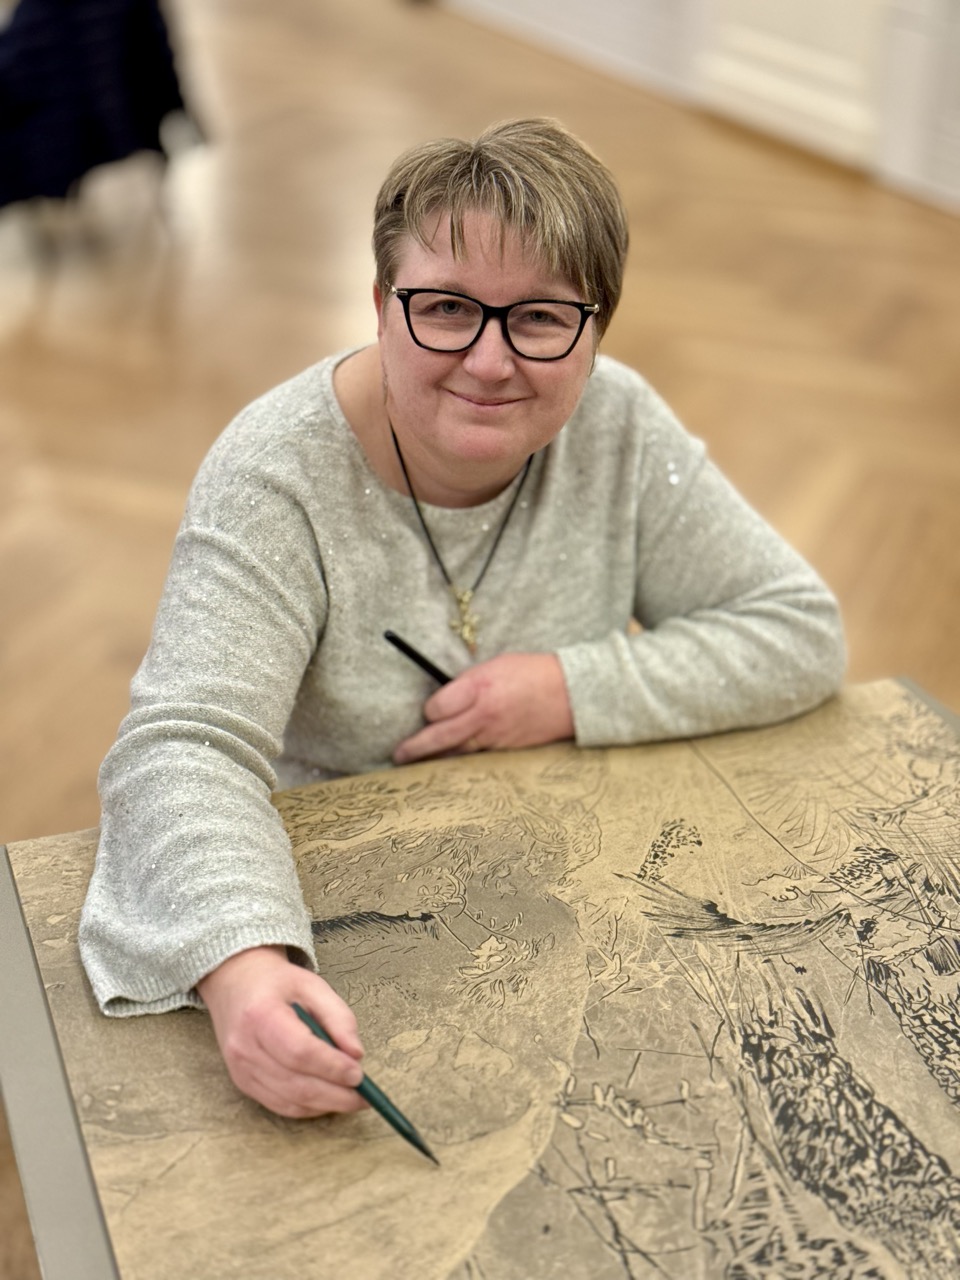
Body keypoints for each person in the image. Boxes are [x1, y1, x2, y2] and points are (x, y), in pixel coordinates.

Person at [79, 117, 846, 1120]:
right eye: (445, 307)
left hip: (562, 886)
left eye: (539, 318)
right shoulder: (277, 473)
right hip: (332, 907)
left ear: (596, 332)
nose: (488, 362)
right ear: (379, 307)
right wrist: (244, 962)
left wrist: (568, 689)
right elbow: (183, 745)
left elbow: (798, 628)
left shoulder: (616, 425)